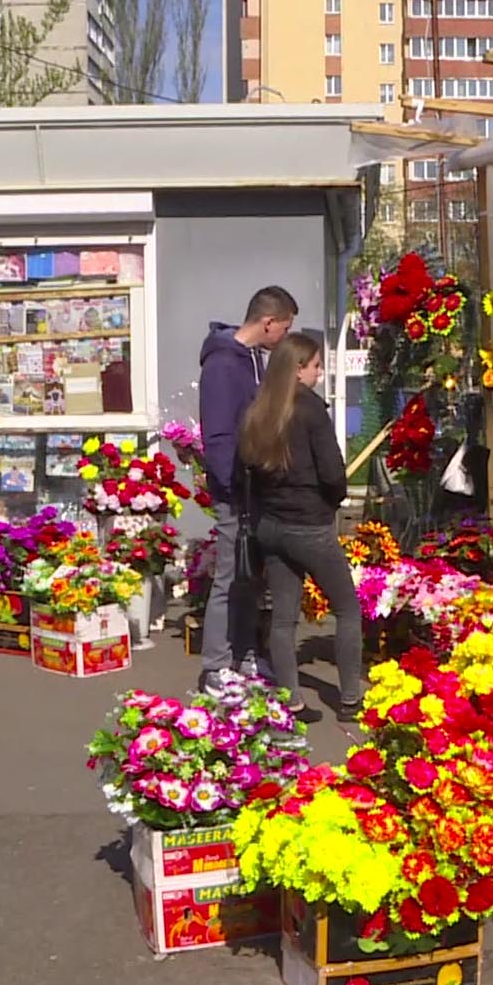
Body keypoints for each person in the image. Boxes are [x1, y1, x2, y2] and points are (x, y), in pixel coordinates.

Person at [237, 333, 364, 721]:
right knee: (347, 609)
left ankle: (291, 700)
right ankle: (349, 700)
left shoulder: (259, 410)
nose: (320, 372)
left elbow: (247, 473)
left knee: (284, 617)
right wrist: (332, 501)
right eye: (315, 365)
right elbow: (333, 474)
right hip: (309, 525)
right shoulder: (310, 411)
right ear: (297, 369)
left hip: (271, 525)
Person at [197, 285, 297, 686]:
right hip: (234, 491)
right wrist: (232, 488)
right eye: (285, 329)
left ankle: (245, 653)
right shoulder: (223, 365)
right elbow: (218, 436)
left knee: (249, 576)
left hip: (254, 487)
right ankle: (215, 664)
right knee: (228, 575)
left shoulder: (253, 360)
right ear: (268, 322)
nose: (286, 338)